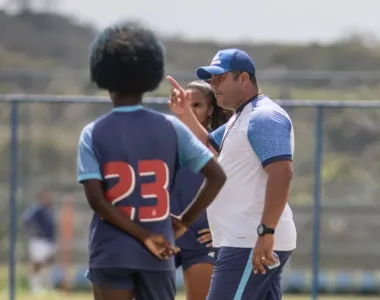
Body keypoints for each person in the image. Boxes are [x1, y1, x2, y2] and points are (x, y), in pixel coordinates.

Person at [77, 21, 226, 300]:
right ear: (149, 75)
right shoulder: (171, 128)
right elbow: (217, 176)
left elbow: (97, 201)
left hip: (111, 251)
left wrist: (141, 234)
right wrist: (182, 222)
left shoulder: (93, 133)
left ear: (104, 76)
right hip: (159, 252)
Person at [168, 48, 297, 300]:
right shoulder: (243, 116)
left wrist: (265, 233)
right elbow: (208, 146)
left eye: (220, 78)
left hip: (249, 241)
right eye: (211, 79)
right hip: (245, 239)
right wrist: (184, 112)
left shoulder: (264, 116)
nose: (214, 85)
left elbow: (282, 174)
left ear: (244, 79)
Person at [171, 80, 231, 300]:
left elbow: (236, 189)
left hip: (201, 238)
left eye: (196, 105)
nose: (189, 109)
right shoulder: (163, 138)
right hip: (166, 233)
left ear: (210, 110)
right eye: (185, 103)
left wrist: (222, 228)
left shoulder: (221, 144)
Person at [22, 188, 56, 294]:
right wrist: (35, 231)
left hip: (48, 241)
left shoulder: (48, 210)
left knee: (47, 264)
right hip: (39, 241)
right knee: (37, 263)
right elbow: (26, 219)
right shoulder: (38, 209)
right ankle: (35, 288)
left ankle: (47, 287)